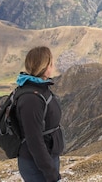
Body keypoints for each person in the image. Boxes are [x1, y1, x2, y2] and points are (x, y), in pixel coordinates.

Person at [15, 46, 65, 182]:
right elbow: (34, 141)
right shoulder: (31, 99)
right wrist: (51, 173)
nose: (53, 66)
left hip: (45, 158)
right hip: (36, 164)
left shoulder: (40, 88)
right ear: (45, 66)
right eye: (51, 63)